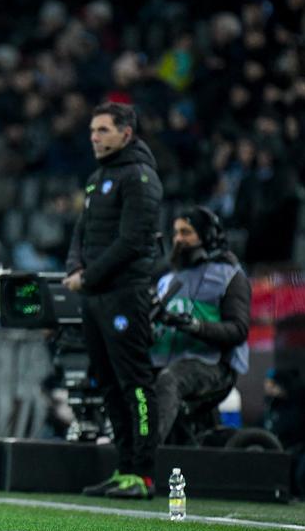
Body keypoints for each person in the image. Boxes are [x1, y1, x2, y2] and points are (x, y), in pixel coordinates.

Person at [64, 102, 163, 499]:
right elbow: (81, 234)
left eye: (103, 130)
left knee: (135, 384)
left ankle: (143, 473)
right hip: (95, 297)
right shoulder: (97, 178)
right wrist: (74, 267)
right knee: (107, 384)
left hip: (125, 296)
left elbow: (133, 240)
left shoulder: (140, 177)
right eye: (92, 130)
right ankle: (124, 469)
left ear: (126, 133)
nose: (95, 137)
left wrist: (87, 275)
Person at [151, 207, 250, 443]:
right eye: (176, 233)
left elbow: (238, 330)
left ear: (207, 236)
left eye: (186, 233)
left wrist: (195, 326)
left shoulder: (230, 276)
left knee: (169, 380)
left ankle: (144, 459)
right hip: (161, 361)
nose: (178, 240)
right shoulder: (166, 280)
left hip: (212, 366)